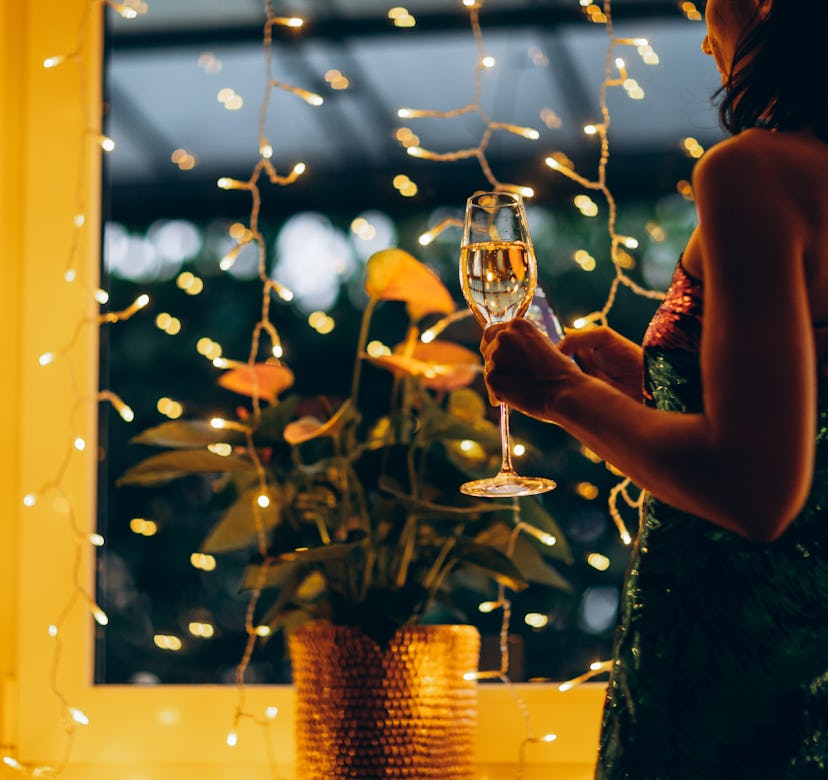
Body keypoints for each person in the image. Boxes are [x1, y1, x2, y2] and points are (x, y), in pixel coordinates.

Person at [481, 0, 828, 776]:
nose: (706, 36)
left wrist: (560, 395)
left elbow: (755, 491)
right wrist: (651, 387)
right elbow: (803, 427)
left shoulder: (754, 171)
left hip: (738, 670)